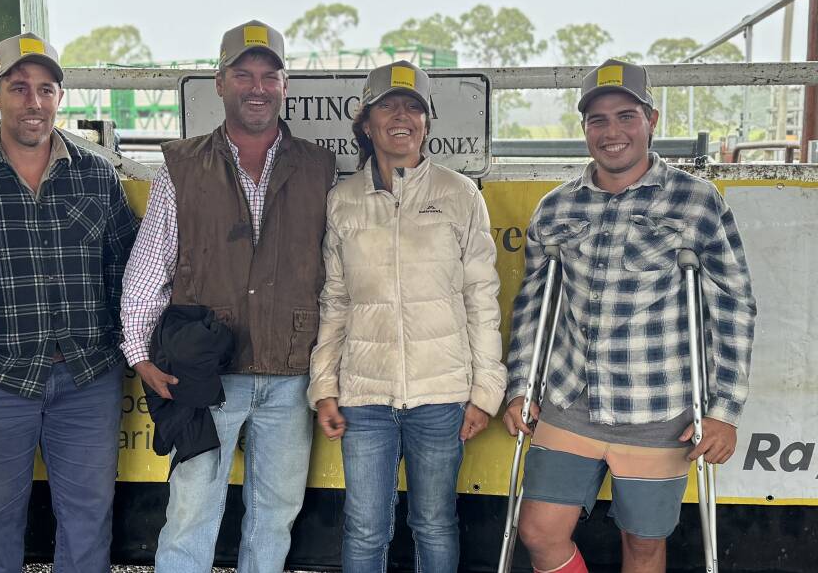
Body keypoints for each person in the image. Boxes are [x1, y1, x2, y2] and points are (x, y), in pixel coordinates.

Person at [502, 59, 757, 573]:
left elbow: (733, 306)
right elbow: (533, 306)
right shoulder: (556, 208)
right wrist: (517, 387)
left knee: (642, 547)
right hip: (570, 400)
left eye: (626, 116)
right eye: (598, 120)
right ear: (584, 129)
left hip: (658, 410)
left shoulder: (697, 203)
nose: (612, 132)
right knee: (536, 532)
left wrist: (724, 410)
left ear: (652, 120)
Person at [0, 32, 137, 572]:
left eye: (45, 88)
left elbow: (125, 272)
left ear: (60, 96)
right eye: (19, 88)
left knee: (89, 518)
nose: (33, 102)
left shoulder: (96, 175)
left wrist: (124, 350)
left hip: (87, 376)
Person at [121, 20, 335, 572]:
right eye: (243, 74)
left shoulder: (320, 168)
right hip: (203, 370)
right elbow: (152, 262)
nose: (257, 87)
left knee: (278, 509)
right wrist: (139, 353)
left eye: (269, 75)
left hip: (292, 374)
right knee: (192, 507)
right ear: (220, 83)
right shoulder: (182, 165)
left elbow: (337, 274)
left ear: (286, 85)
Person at [307, 60, 505, 573]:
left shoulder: (460, 194)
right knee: (365, 527)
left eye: (413, 106)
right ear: (366, 122)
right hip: (365, 397)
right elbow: (336, 300)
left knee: (435, 523)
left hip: (441, 397)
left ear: (427, 121)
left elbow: (482, 298)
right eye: (387, 105)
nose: (402, 116)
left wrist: (485, 390)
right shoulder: (343, 200)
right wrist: (324, 385)